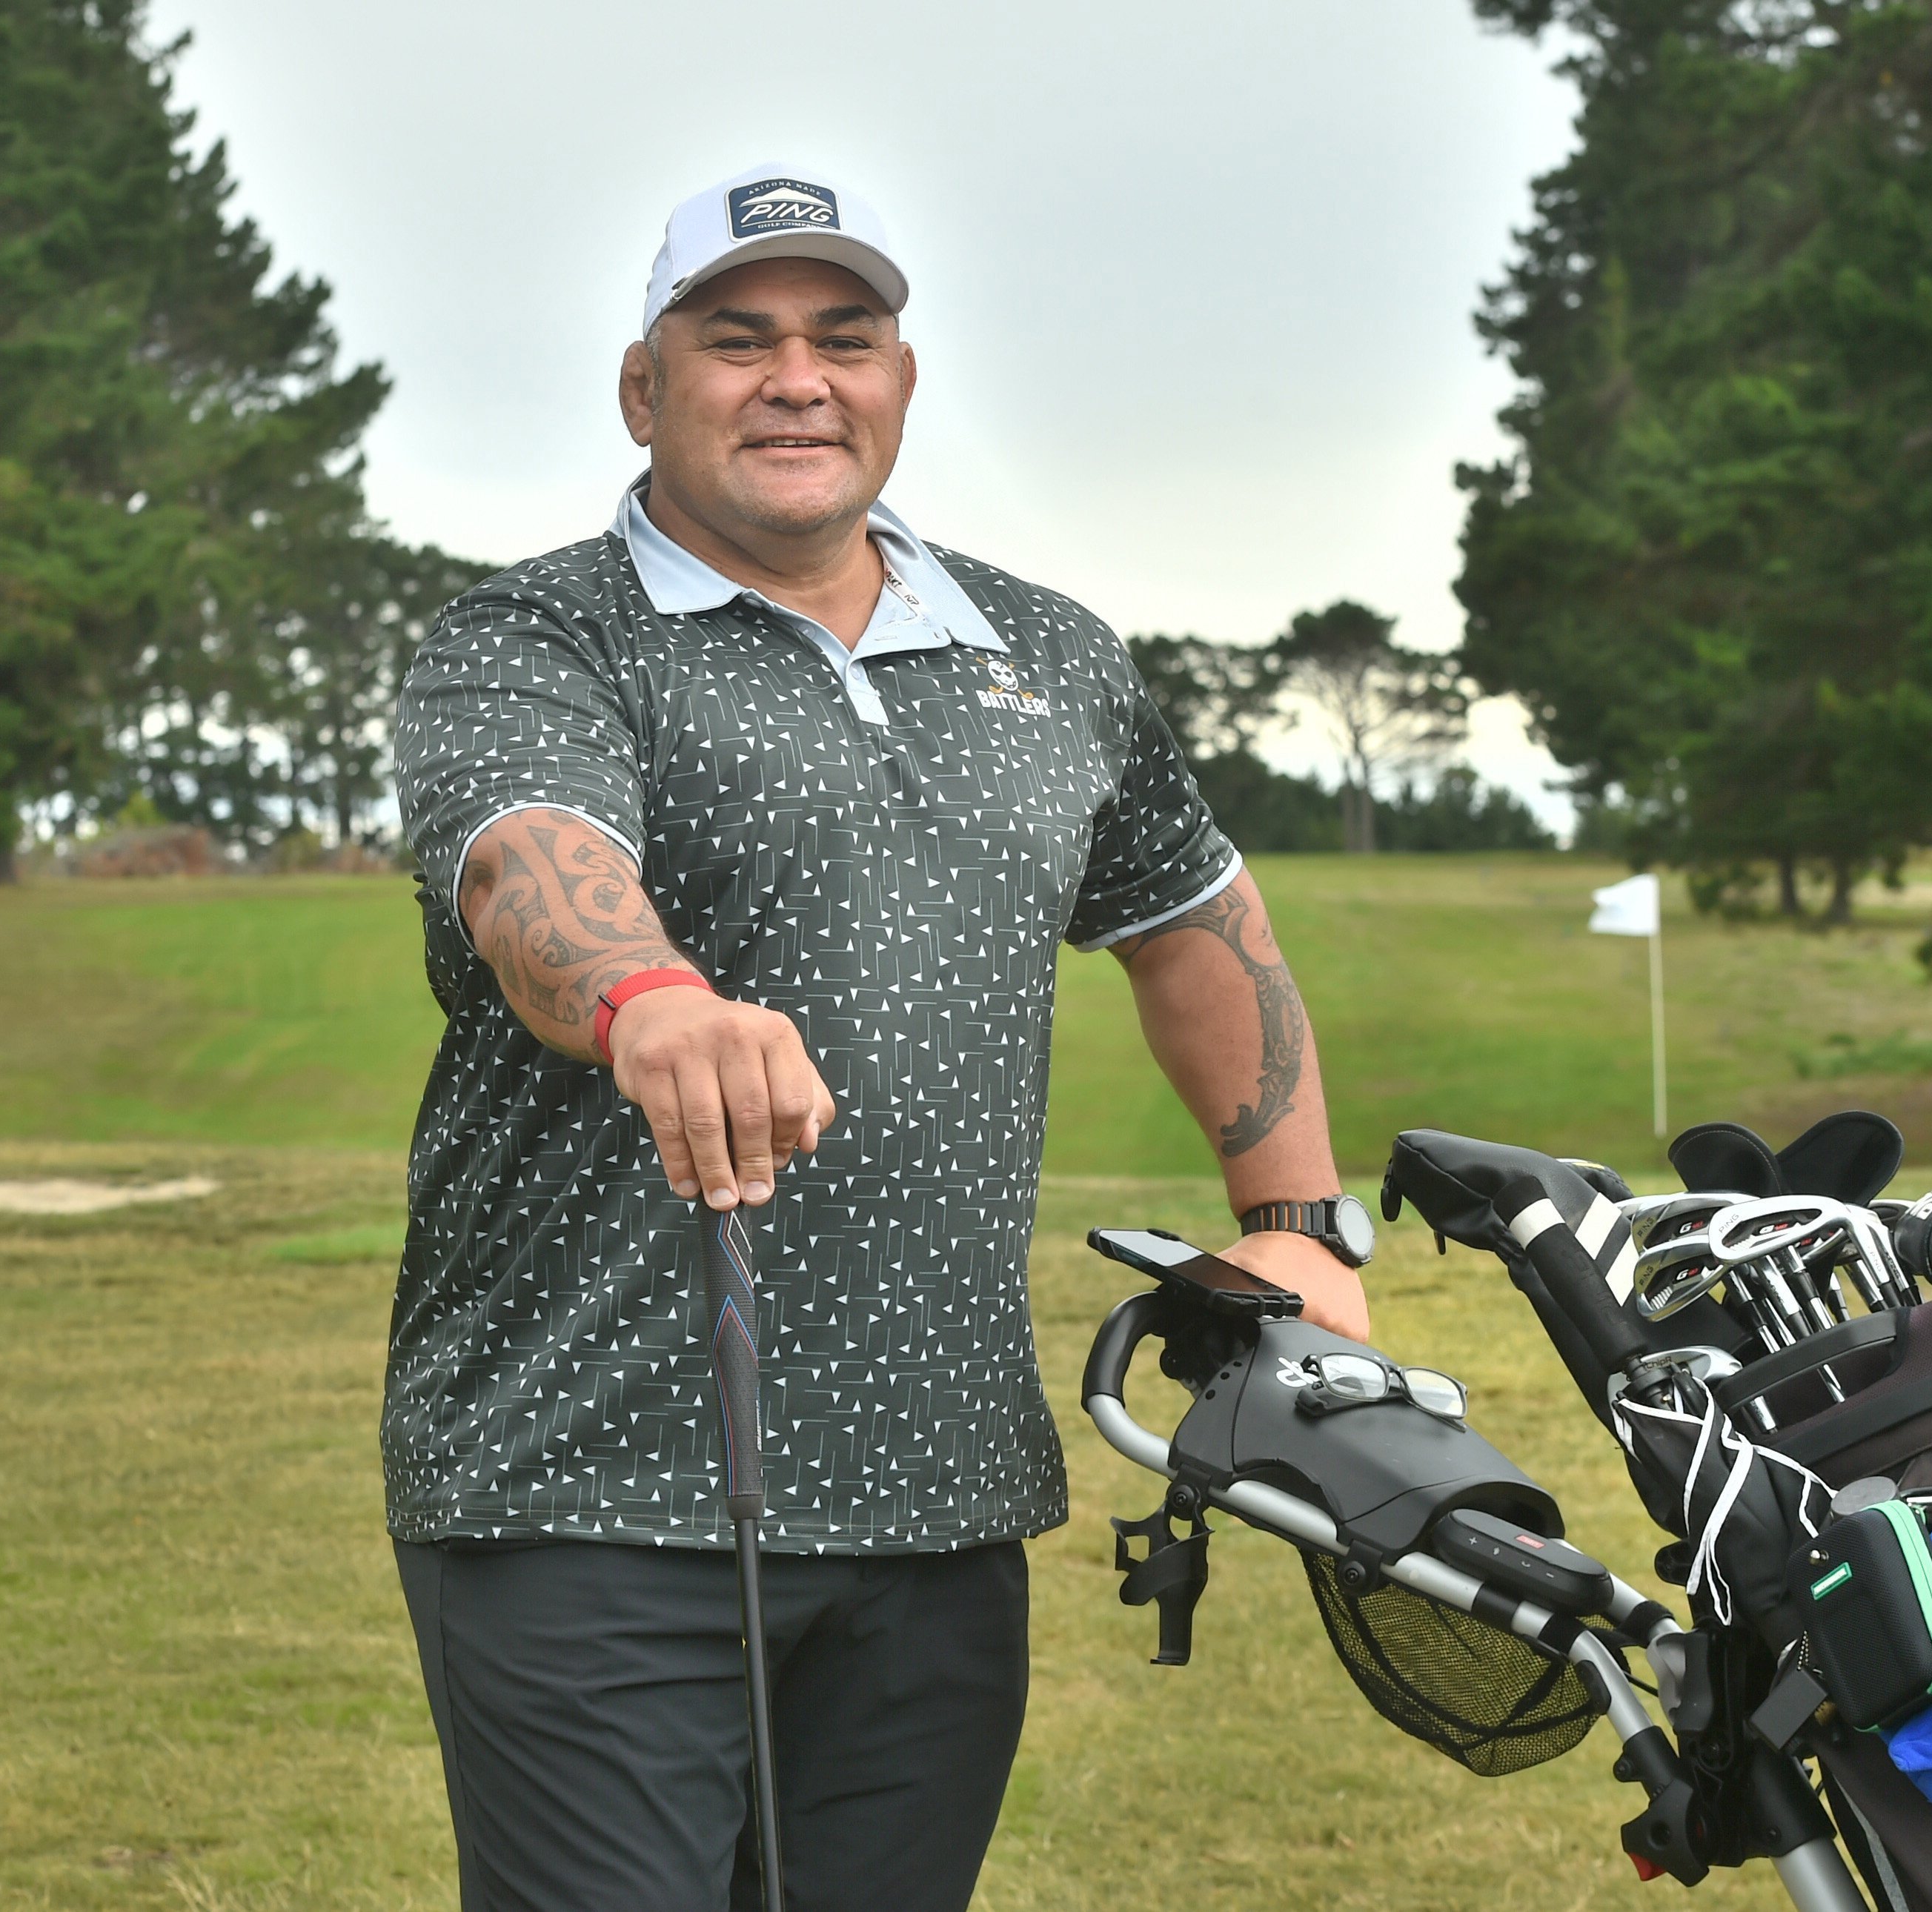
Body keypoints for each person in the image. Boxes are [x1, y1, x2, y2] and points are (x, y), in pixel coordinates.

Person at [388, 163, 1378, 1912]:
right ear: (644, 387)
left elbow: (1191, 921)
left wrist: (1298, 1227)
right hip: (586, 1494)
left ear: (899, 383)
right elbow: (528, 863)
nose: (797, 379)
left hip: (939, 1501)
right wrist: (653, 1001)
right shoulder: (537, 632)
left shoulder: (1048, 655)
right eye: (737, 339)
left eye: (844, 340)